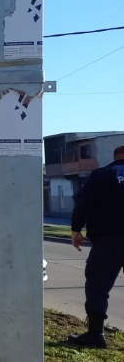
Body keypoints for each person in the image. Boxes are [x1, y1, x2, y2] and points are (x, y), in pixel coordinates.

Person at [66, 145, 124, 348]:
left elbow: (83, 202)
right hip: (109, 238)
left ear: (115, 157)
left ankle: (96, 333)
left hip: (109, 240)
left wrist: (76, 230)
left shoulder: (102, 175)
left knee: (98, 286)